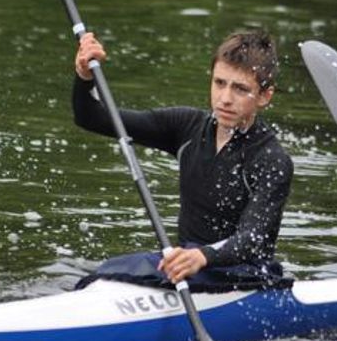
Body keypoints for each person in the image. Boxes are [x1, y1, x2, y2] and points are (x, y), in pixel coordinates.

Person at [71, 29, 293, 291]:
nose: (225, 99)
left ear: (264, 96)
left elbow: (253, 240)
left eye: (240, 89)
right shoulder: (186, 126)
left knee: (109, 274)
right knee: (103, 273)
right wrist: (84, 77)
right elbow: (93, 118)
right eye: (219, 83)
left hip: (244, 274)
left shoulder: (271, 159)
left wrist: (203, 256)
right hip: (185, 266)